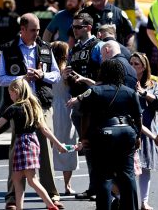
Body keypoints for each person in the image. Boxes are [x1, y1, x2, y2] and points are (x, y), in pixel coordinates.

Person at [0, 13, 64, 210]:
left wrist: (43, 74)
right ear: (22, 29)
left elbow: (56, 76)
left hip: (41, 104)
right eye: (33, 30)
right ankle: (12, 199)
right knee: (16, 152)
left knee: (46, 151)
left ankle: (53, 195)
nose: (37, 33)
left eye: (38, 29)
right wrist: (22, 79)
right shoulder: (8, 50)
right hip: (20, 107)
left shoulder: (45, 47)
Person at [0, 79, 67, 210]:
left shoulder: (13, 108)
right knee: (21, 179)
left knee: (28, 180)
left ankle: (51, 206)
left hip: (20, 145)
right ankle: (20, 207)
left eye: (11, 94)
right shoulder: (34, 106)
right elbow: (45, 129)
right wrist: (58, 144)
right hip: (32, 143)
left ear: (16, 92)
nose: (10, 97)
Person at [78, 59, 142, 210]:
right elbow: (138, 117)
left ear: (103, 72)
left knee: (104, 177)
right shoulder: (130, 91)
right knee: (127, 175)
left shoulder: (94, 91)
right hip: (127, 133)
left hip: (104, 134)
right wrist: (138, 136)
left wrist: (84, 137)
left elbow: (85, 116)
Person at [64, 12, 104, 201]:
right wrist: (66, 74)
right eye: (73, 27)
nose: (74, 30)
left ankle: (101, 188)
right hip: (78, 102)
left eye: (78, 27)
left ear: (88, 27)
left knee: (96, 148)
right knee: (87, 147)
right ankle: (93, 187)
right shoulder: (76, 48)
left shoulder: (98, 46)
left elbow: (103, 77)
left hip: (92, 103)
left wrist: (86, 81)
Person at [130, 52, 158, 210]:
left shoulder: (152, 84)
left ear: (144, 67)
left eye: (136, 64)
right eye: (131, 63)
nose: (133, 66)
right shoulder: (126, 82)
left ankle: (144, 202)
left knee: (145, 167)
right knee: (129, 167)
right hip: (130, 129)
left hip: (148, 128)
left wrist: (144, 94)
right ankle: (125, 199)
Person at [50, 41, 79, 196]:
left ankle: (50, 185)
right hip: (66, 108)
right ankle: (67, 185)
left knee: (50, 148)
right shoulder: (66, 70)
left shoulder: (47, 69)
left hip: (51, 108)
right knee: (67, 144)